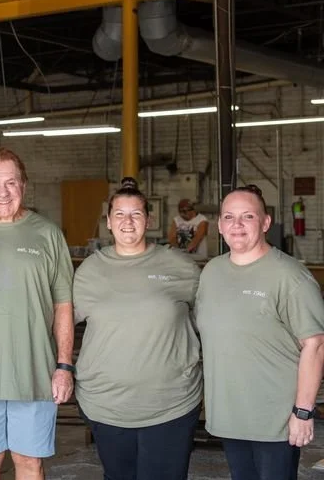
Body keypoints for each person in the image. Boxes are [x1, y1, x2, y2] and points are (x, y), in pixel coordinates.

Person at [73, 178, 202, 480]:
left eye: (136, 214)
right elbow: (61, 326)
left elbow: (210, 321)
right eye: (119, 214)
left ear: (149, 219)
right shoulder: (89, 271)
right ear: (108, 221)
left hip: (170, 403)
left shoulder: (181, 267)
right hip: (106, 405)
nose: (127, 222)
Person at [0, 147, 75, 480]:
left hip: (34, 372)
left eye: (11, 182)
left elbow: (63, 305)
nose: (2, 192)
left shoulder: (48, 235)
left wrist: (64, 366)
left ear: (23, 184)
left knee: (29, 461)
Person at [195, 184, 324, 480]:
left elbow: (315, 345)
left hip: (275, 419)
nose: (237, 225)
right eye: (229, 217)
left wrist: (303, 412)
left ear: (265, 223)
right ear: (219, 225)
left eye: (247, 217)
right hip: (228, 414)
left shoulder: (290, 276)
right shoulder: (212, 272)